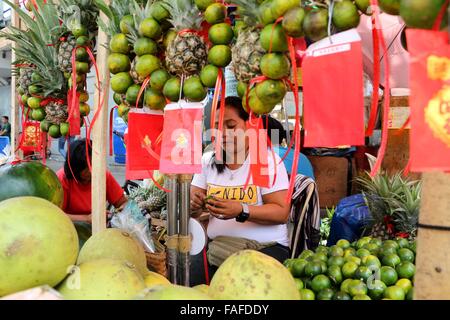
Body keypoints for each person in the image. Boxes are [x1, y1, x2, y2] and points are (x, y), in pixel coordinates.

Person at [189, 97, 291, 285]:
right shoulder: (208, 162)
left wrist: (242, 210)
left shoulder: (266, 161)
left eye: (231, 125)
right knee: (192, 278)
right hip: (217, 248)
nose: (224, 133)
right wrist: (194, 205)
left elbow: (281, 212)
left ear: (249, 126)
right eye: (218, 127)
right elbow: (193, 211)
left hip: (266, 249)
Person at [56, 139, 127, 223]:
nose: (92, 170)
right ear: (76, 168)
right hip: (68, 229)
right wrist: (86, 218)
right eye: (87, 167)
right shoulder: (61, 179)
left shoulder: (103, 176)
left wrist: (119, 212)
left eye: (94, 164)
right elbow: (55, 215)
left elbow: (122, 202)